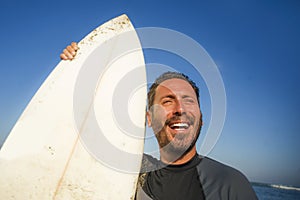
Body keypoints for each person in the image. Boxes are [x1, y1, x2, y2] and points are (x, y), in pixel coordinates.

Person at [60, 43, 258, 200]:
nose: (180, 109)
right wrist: (74, 68)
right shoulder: (130, 172)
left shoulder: (230, 184)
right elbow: (73, 144)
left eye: (188, 100)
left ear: (201, 118)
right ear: (149, 119)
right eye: (167, 101)